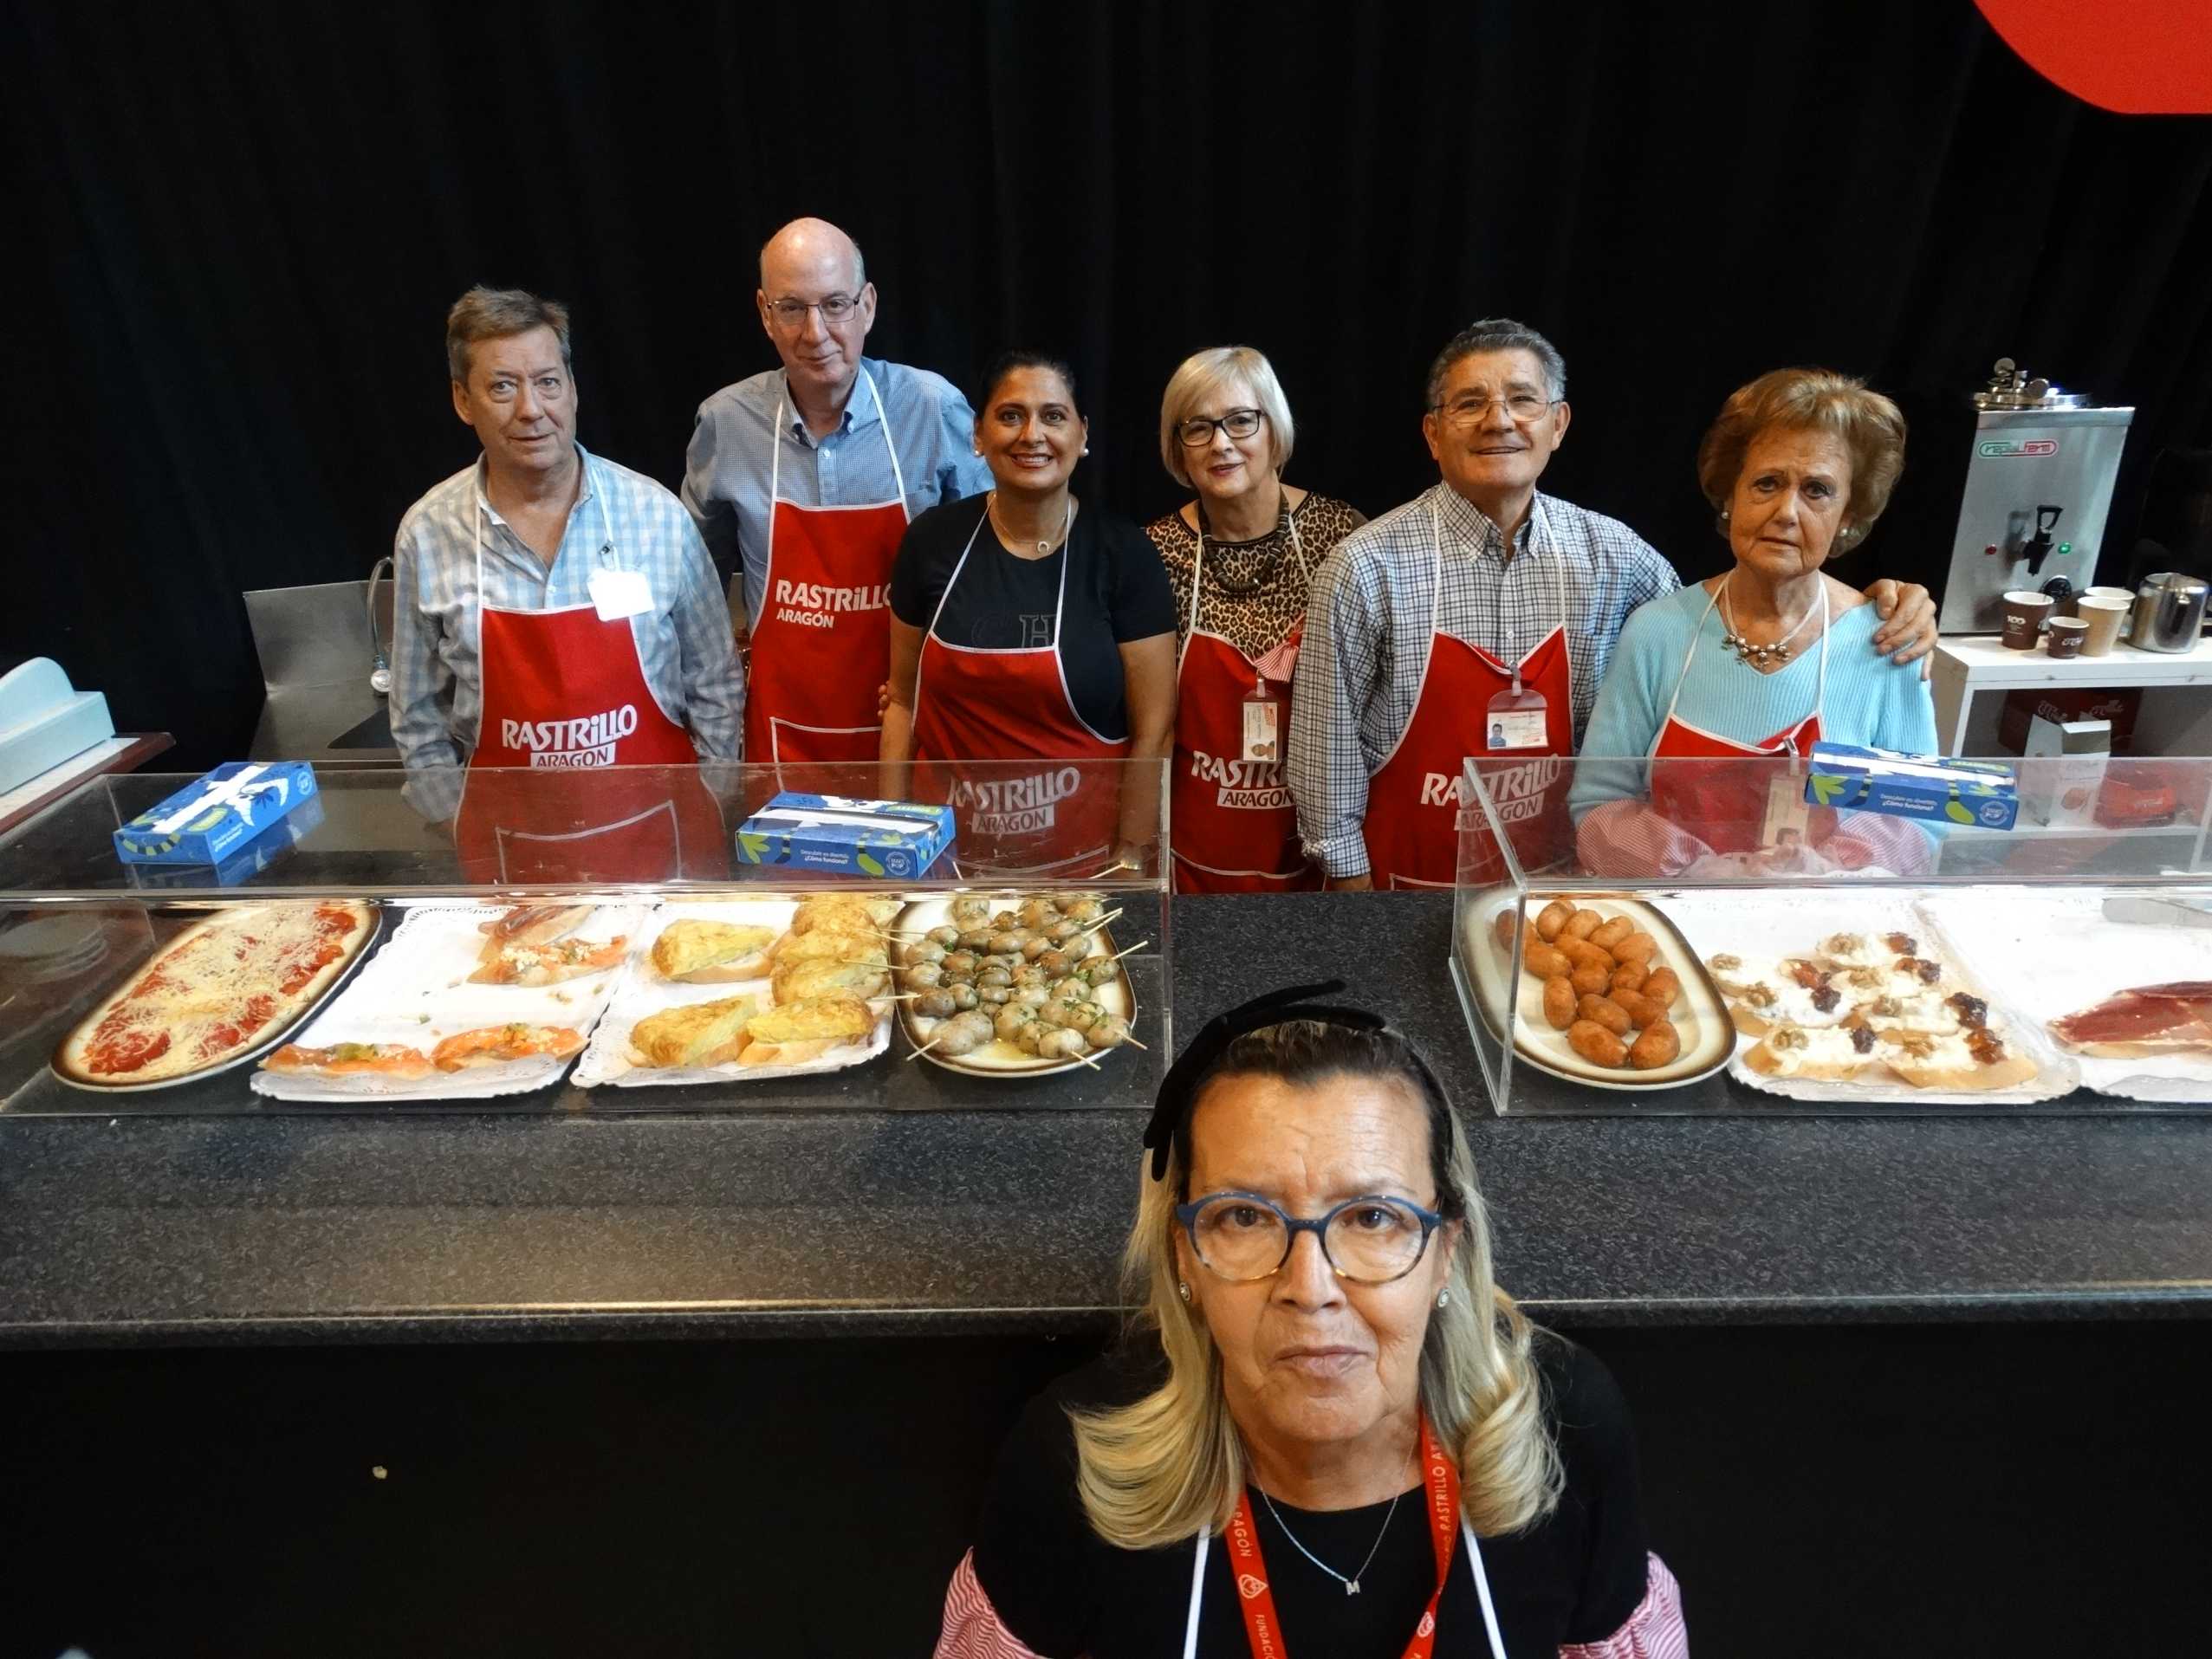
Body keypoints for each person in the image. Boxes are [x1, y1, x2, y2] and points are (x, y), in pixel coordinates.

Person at [936, 984, 1687, 1656]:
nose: (1310, 1286)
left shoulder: (1563, 1430)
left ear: (1444, 1255)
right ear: (1185, 1258)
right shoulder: (1074, 1461)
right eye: (1243, 1216)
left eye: (1371, 1216)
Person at [1288, 317, 1939, 891]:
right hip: (1409, 875)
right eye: (1470, 403)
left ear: (1558, 424)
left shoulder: (1617, 556)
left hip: (1559, 881)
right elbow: (1325, 745)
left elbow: (1924, 814)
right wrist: (1352, 884)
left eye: (1522, 399)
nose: (1499, 419)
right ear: (1432, 433)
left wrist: (1892, 601)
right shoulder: (1364, 566)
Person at [391, 286, 741, 881]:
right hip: (513, 859)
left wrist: (710, 794)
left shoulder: (654, 515)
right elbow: (415, 712)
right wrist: (457, 820)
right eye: (503, 386)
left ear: (573, 389)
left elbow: (715, 679)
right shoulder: (427, 533)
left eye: (548, 382)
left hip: (666, 846)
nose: (531, 408)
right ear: (462, 399)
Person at [1570, 368, 1940, 875]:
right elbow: (1599, 805)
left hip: (1828, 938)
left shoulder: (1889, 640)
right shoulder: (1657, 632)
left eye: (1818, 490)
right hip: (1676, 925)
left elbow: (1922, 818)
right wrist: (1700, 874)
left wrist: (1830, 874)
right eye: (1767, 483)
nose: (1787, 512)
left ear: (1849, 515)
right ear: (1730, 497)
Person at [682, 217, 990, 768]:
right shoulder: (725, 423)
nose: (815, 332)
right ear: (764, 314)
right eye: (793, 308)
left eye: (835, 304)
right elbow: (697, 590)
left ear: (867, 306)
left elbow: (988, 567)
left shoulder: (932, 408)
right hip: (784, 735)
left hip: (910, 726)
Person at [882, 353, 1177, 877]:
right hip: (948, 869)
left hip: (1087, 874)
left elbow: (1153, 730)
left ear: (1082, 435)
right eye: (1011, 415)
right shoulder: (931, 543)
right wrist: (896, 847)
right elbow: (903, 703)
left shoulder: (1122, 552)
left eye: (1054, 416)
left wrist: (1130, 862)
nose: (1032, 434)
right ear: (978, 434)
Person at [1142, 347, 1366, 892]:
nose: (1221, 443)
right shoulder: (1153, 552)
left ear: (1275, 429)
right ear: (1179, 449)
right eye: (1198, 428)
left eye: (1241, 420)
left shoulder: (1343, 537)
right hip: (1194, 857)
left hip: (1320, 850)